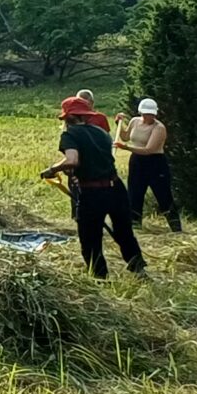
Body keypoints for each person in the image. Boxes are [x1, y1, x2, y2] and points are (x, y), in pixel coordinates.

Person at [45, 95, 147, 278]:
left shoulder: (69, 134)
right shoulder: (101, 133)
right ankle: (139, 269)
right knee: (124, 232)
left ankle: (101, 278)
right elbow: (96, 159)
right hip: (116, 188)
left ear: (69, 117)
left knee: (90, 239)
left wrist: (52, 170)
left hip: (92, 192)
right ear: (85, 115)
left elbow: (72, 160)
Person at [117, 97, 182, 231]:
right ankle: (135, 228)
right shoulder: (135, 121)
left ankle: (176, 228)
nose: (148, 116)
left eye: (151, 114)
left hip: (155, 163)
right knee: (134, 195)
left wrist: (126, 148)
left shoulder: (159, 128)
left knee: (164, 196)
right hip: (137, 162)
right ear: (141, 112)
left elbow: (149, 150)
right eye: (146, 114)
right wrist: (120, 123)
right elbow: (125, 137)